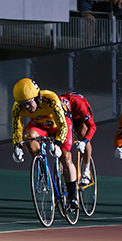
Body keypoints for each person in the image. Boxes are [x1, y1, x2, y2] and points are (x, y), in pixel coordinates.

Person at [10, 78, 78, 212]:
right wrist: (17, 146)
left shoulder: (51, 99)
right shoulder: (17, 108)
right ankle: (41, 164)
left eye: (28, 103)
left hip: (59, 125)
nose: (26, 108)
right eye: (22, 104)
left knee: (65, 157)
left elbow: (63, 124)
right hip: (40, 125)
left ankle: (73, 197)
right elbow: (17, 128)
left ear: (37, 97)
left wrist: (58, 143)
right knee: (28, 137)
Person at [58, 91, 96, 185]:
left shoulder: (79, 105)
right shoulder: (56, 103)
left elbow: (93, 127)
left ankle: (86, 171)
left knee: (82, 133)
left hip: (79, 115)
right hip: (65, 117)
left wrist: (84, 141)